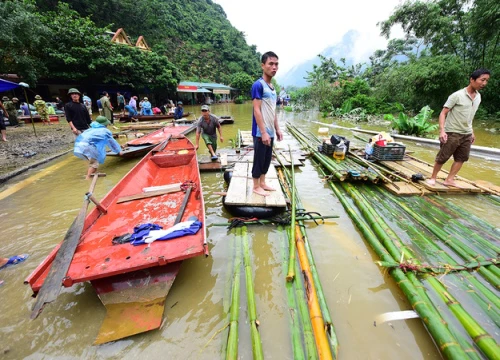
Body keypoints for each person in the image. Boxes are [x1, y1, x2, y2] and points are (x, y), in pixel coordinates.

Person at [426, 69, 490, 188]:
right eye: (482, 80)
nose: (484, 83)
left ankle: (449, 179)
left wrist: (472, 132)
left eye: (486, 80)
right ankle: (433, 178)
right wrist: (442, 131)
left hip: (467, 133)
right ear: (472, 79)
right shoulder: (457, 95)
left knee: (461, 158)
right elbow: (443, 113)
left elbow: (470, 117)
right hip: (452, 132)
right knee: (442, 157)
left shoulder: (478, 97)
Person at [251, 51, 283, 196]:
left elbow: (273, 110)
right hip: (260, 131)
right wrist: (263, 132)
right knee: (258, 159)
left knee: (266, 159)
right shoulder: (258, 85)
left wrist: (277, 129)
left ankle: (262, 183)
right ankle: (256, 186)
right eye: (271, 64)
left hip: (270, 131)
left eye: (276, 64)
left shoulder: (273, 88)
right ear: (263, 65)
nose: (274, 67)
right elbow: (257, 110)